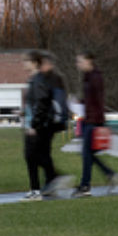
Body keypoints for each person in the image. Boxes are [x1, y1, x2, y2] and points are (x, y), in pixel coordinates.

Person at [72, 51, 118, 197]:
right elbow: (90, 101)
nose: (78, 64)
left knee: (87, 154)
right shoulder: (88, 78)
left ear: (89, 61)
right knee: (87, 154)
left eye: (80, 61)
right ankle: (111, 176)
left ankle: (86, 186)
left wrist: (99, 122)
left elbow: (98, 101)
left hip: (93, 121)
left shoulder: (95, 78)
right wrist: (78, 103)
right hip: (90, 120)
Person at [21, 48, 68, 200]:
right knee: (32, 156)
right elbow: (34, 103)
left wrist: (34, 125)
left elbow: (41, 103)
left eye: (26, 61)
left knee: (33, 156)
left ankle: (45, 184)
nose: (24, 64)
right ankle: (38, 187)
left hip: (37, 125)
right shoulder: (33, 80)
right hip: (33, 123)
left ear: (34, 63)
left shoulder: (38, 80)